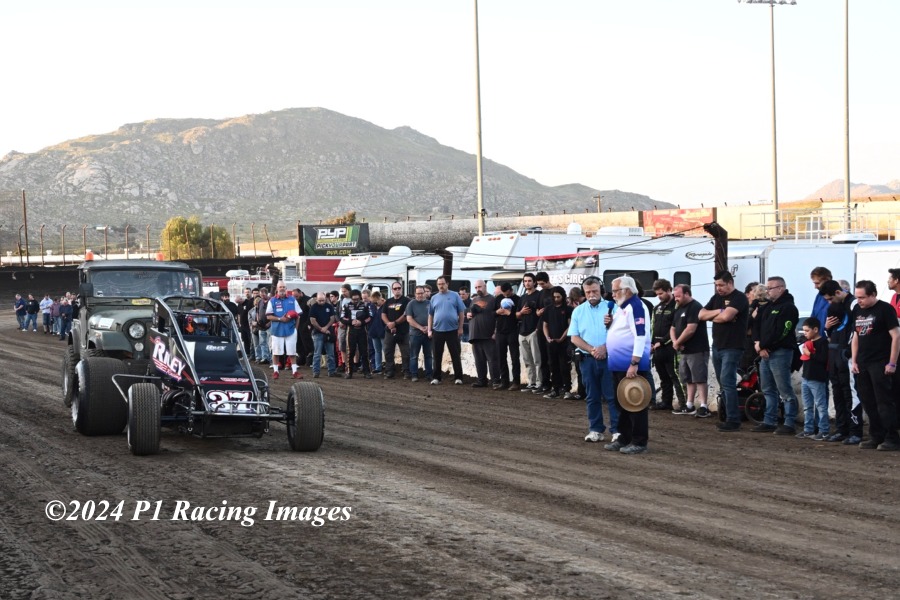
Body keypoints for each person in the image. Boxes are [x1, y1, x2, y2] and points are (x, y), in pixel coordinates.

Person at [603, 276, 653, 455]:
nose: (613, 294)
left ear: (627, 290)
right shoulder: (621, 308)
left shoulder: (636, 306)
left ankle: (639, 441)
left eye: (616, 291)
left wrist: (634, 362)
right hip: (618, 364)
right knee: (622, 402)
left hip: (630, 365)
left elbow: (640, 335)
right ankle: (624, 437)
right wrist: (609, 325)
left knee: (636, 403)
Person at [850, 280, 900, 450]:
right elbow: (856, 336)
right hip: (863, 362)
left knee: (884, 402)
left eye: (862, 297)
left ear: (873, 295)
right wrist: (854, 360)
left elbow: (896, 337)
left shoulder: (885, 309)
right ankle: (875, 436)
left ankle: (892, 438)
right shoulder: (857, 309)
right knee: (868, 401)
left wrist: (892, 362)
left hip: (880, 362)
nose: (859, 301)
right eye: (857, 297)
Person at [570, 276, 618, 443]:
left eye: (595, 291)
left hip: (609, 358)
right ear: (584, 292)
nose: (592, 294)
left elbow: (620, 333)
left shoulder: (613, 308)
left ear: (601, 290)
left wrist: (604, 348)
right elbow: (574, 338)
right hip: (587, 359)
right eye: (588, 292)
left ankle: (617, 430)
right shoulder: (578, 311)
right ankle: (595, 430)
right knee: (592, 396)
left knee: (612, 396)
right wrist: (592, 349)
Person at [700, 271, 749, 432]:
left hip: (733, 346)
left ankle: (733, 419)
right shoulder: (717, 299)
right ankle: (727, 415)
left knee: (728, 382)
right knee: (723, 383)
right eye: (716, 285)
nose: (718, 288)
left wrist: (716, 315)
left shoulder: (739, 298)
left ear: (730, 283)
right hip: (717, 345)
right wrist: (719, 312)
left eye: (721, 285)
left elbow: (726, 317)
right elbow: (701, 314)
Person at [751, 276, 800, 435]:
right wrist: (758, 344)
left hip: (780, 352)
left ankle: (789, 422)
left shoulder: (788, 308)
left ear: (781, 288)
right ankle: (769, 420)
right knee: (768, 389)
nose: (767, 291)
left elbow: (782, 332)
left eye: (770, 288)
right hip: (765, 353)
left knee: (784, 389)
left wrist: (764, 345)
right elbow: (756, 325)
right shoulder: (767, 306)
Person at [819, 279, 863, 444]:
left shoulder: (853, 304)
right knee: (836, 391)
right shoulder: (834, 307)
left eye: (830, 299)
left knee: (850, 392)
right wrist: (826, 327)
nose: (829, 303)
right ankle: (841, 428)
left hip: (847, 355)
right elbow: (831, 331)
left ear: (838, 292)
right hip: (834, 352)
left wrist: (850, 350)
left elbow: (855, 330)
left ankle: (855, 431)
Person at [670, 284, 710, 417]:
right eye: (675, 296)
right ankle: (689, 405)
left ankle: (704, 405)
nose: (676, 299)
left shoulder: (695, 307)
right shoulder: (678, 309)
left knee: (699, 378)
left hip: (697, 349)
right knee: (688, 379)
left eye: (678, 296)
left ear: (687, 294)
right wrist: (675, 342)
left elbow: (691, 329)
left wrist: (678, 342)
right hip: (684, 350)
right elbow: (672, 328)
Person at [650, 279, 686, 412]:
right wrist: (652, 343)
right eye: (657, 294)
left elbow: (677, 328)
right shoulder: (657, 308)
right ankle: (666, 402)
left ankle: (683, 404)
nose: (659, 296)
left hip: (671, 348)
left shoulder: (676, 307)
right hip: (657, 348)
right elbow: (652, 327)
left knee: (675, 376)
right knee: (663, 376)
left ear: (669, 290)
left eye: (661, 293)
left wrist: (663, 342)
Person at [427, 275, 465, 385]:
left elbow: (461, 313)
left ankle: (458, 377)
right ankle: (436, 378)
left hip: (452, 330)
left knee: (455, 354)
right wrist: (429, 330)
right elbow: (430, 315)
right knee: (437, 355)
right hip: (437, 330)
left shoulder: (455, 295)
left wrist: (461, 327)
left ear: (447, 284)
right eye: (439, 284)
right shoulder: (434, 298)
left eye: (442, 284)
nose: (441, 286)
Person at [798, 317, 830, 440]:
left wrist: (810, 354)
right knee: (807, 406)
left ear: (815, 329)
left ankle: (824, 430)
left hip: (817, 378)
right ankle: (808, 429)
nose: (805, 333)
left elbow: (823, 359)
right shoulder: (807, 342)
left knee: (821, 406)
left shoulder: (823, 342)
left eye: (807, 330)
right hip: (806, 377)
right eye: (804, 331)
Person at [266, 282, 302, 380]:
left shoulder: (292, 299)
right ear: (277, 288)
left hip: (290, 330)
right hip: (277, 330)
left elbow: (298, 315)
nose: (282, 288)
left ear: (286, 288)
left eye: (283, 287)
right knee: (276, 352)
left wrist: (296, 328)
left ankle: (295, 371)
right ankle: (276, 371)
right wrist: (280, 319)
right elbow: (269, 316)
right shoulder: (272, 301)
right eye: (280, 287)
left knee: (292, 352)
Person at [468, 279, 500, 389]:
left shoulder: (492, 299)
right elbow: (470, 313)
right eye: (476, 287)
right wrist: (468, 315)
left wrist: (495, 331)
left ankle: (495, 381)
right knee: (479, 360)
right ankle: (482, 380)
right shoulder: (474, 299)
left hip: (488, 334)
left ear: (485, 286)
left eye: (480, 287)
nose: (478, 289)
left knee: (492, 360)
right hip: (475, 334)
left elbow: (498, 317)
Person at [542, 286, 572, 399]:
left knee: (564, 366)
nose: (556, 299)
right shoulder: (548, 309)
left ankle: (567, 389)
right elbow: (545, 325)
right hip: (551, 342)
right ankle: (555, 389)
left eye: (558, 297)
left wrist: (562, 338)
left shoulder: (568, 309)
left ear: (563, 296)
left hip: (564, 343)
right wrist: (547, 337)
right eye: (554, 297)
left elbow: (570, 326)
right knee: (553, 366)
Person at [517, 273, 543, 393]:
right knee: (527, 360)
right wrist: (521, 311)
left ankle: (539, 383)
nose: (527, 283)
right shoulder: (522, 297)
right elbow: (516, 315)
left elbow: (542, 312)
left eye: (529, 281)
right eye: (525, 281)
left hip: (534, 331)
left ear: (534, 282)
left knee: (537, 359)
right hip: (522, 332)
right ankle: (531, 382)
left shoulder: (539, 295)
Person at [494, 282, 521, 391]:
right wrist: (498, 311)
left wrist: (509, 313)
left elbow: (519, 315)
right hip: (500, 331)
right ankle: (504, 381)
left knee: (515, 357)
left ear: (511, 290)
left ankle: (516, 381)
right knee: (501, 357)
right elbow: (492, 313)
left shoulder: (517, 299)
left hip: (513, 330)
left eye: (507, 293)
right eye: (503, 293)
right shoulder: (498, 298)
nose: (505, 295)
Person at [382, 282, 411, 379]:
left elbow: (406, 315)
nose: (397, 290)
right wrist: (389, 324)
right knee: (388, 352)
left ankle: (406, 371)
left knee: (405, 353)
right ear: (392, 290)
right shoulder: (388, 301)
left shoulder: (407, 301)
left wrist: (395, 323)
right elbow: (383, 314)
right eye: (395, 288)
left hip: (403, 331)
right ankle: (389, 371)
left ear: (402, 288)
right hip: (389, 331)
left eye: (399, 288)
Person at [341, 289, 372, 379]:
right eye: (354, 299)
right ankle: (349, 372)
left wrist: (361, 322)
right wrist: (352, 321)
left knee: (364, 351)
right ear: (351, 298)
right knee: (350, 351)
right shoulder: (346, 305)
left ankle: (367, 372)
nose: (356, 301)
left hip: (362, 330)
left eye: (357, 299)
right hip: (351, 331)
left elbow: (370, 317)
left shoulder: (365, 305)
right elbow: (342, 317)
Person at [405, 286, 433, 382]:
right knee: (414, 355)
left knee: (428, 355)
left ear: (425, 293)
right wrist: (421, 328)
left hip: (428, 333)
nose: (420, 295)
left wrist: (429, 328)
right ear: (415, 294)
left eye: (421, 293)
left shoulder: (430, 303)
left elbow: (434, 316)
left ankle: (429, 374)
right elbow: (409, 319)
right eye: (418, 293)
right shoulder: (411, 304)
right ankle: (414, 375)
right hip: (415, 334)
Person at [308, 292, 337, 378]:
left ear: (325, 299)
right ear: (316, 299)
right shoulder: (313, 307)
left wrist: (326, 327)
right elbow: (312, 320)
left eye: (323, 300)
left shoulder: (329, 306)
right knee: (317, 353)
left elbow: (332, 318)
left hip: (328, 332)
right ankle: (316, 372)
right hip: (317, 333)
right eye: (319, 300)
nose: (321, 302)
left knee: (330, 353)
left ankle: (331, 371)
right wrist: (321, 329)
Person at [534, 272, 554, 393]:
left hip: (553, 328)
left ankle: (557, 384)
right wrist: (538, 313)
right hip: (541, 327)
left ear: (547, 281)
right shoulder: (541, 293)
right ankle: (545, 383)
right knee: (543, 358)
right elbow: (537, 309)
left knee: (553, 359)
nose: (541, 286)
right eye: (539, 284)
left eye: (542, 284)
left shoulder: (555, 291)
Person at [809, 266, 833, 332]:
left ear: (827, 280)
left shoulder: (839, 296)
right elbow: (813, 317)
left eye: (817, 283)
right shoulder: (819, 296)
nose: (815, 287)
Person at [368, 290, 386, 374]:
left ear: (380, 299)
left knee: (386, 350)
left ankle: (388, 367)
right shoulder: (371, 306)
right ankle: (378, 367)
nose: (375, 304)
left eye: (376, 302)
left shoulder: (386, 306)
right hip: (374, 331)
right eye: (373, 302)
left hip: (383, 331)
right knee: (377, 350)